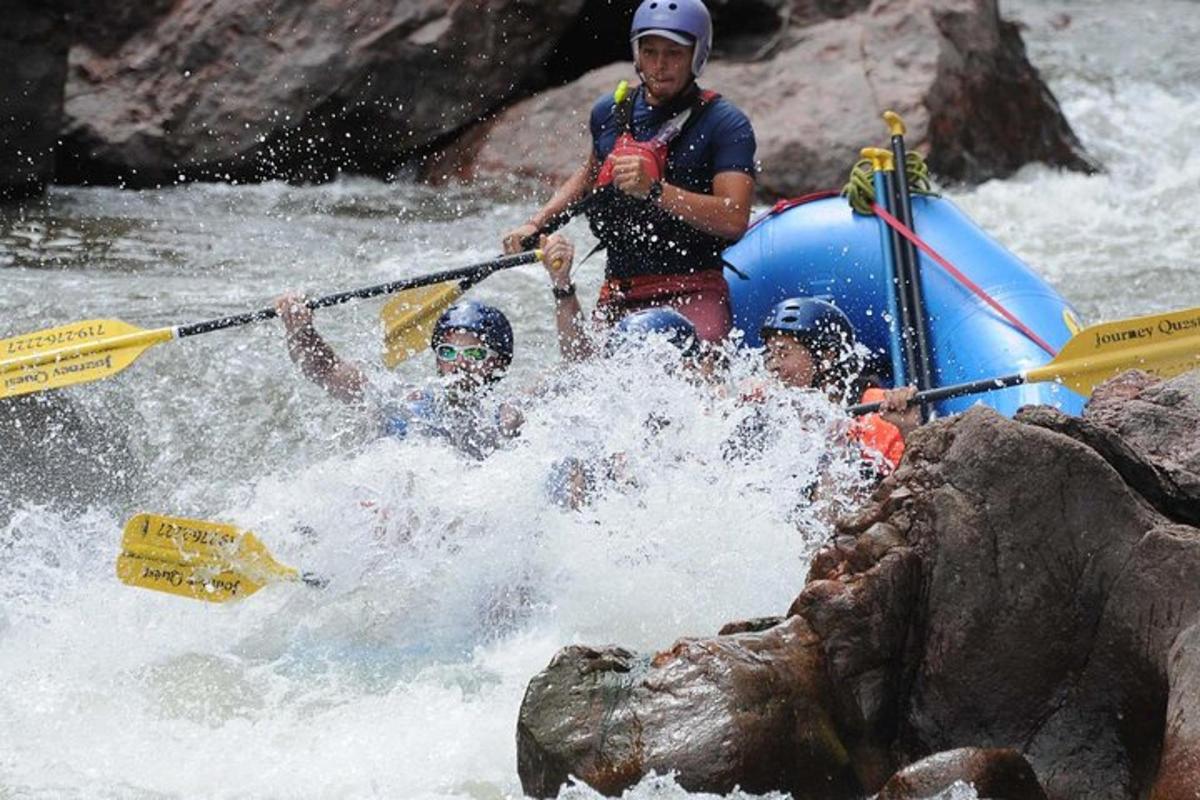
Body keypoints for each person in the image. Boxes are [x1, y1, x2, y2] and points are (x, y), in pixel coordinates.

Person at [502, 0, 756, 343]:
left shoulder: (724, 123)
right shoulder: (609, 111)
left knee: (698, 373)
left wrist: (655, 190)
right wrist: (537, 222)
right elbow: (590, 176)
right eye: (649, 52)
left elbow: (734, 218)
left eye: (674, 54)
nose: (659, 65)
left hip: (694, 288)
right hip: (620, 291)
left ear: (697, 54)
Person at [275, 292, 523, 459]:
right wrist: (301, 330)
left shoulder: (504, 417)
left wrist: (562, 288)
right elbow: (326, 370)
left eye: (475, 354)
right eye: (447, 352)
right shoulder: (403, 400)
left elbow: (563, 370)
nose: (458, 363)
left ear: (498, 362)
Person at [756, 297, 919, 471]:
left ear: (827, 356)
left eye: (783, 354)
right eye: (770, 355)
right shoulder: (775, 413)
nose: (773, 365)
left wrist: (907, 429)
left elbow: (910, 484)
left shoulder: (876, 410)